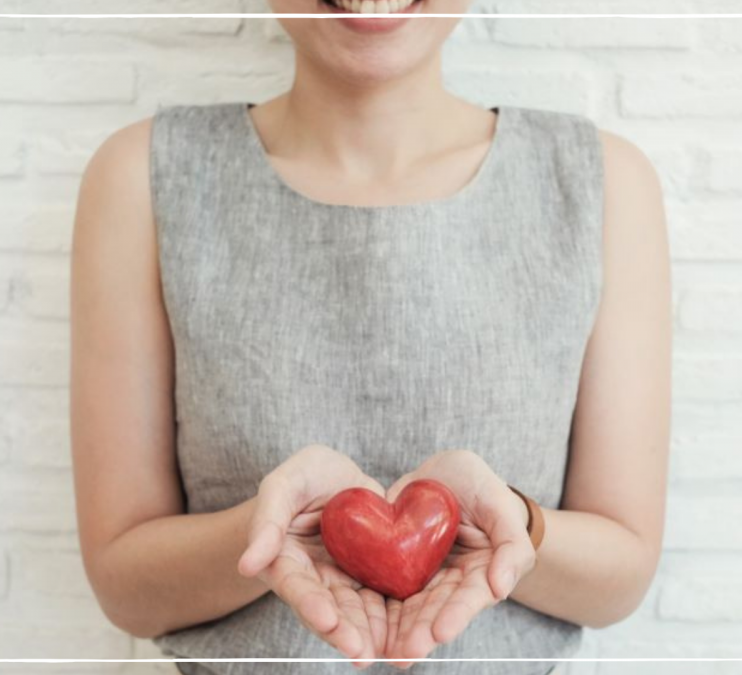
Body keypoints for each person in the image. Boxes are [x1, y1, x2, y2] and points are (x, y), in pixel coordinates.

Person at [68, 1, 671, 674]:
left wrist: (512, 525)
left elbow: (621, 576)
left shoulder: (601, 182)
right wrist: (268, 531)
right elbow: (124, 586)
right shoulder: (143, 176)